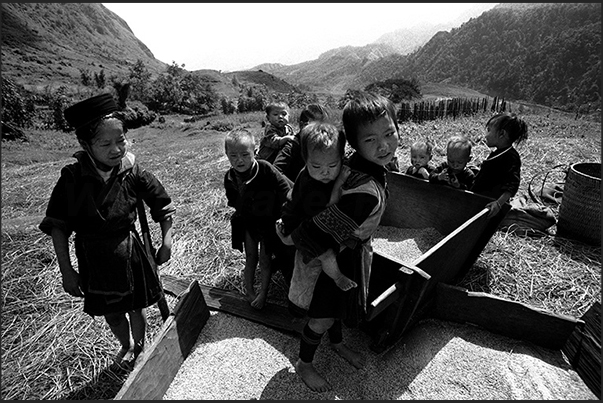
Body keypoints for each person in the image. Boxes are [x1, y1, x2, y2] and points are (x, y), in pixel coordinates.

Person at [38, 93, 176, 368]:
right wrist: (67, 271)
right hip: (94, 258)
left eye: (121, 140)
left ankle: (139, 347)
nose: (116, 150)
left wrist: (167, 240)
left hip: (130, 251)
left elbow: (162, 204)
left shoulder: (131, 171)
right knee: (112, 313)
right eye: (106, 144)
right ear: (84, 144)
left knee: (136, 306)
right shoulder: (73, 180)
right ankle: (125, 344)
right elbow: (59, 228)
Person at [289, 91, 399, 392]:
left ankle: (336, 344)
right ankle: (305, 363)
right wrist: (293, 235)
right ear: (353, 143)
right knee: (322, 316)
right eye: (370, 140)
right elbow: (318, 230)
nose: (383, 145)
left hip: (346, 251)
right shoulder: (362, 190)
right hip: (331, 254)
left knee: (337, 306)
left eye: (389, 133)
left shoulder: (363, 168)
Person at [276, 122, 355, 316]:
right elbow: (329, 207)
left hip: (299, 217)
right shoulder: (314, 186)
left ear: (341, 158)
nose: (325, 172)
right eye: (316, 166)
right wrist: (341, 181)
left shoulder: (312, 174)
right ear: (305, 159)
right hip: (300, 223)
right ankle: (337, 277)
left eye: (333, 165)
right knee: (326, 254)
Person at [223, 127, 292, 309]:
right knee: (250, 257)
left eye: (245, 155)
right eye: (233, 156)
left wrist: (285, 216)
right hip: (249, 222)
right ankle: (249, 291)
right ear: (227, 154)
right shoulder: (229, 177)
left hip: (269, 223)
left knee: (265, 259)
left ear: (254, 151)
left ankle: (263, 294)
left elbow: (286, 190)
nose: (239, 160)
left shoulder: (265, 169)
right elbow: (233, 200)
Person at [471, 112, 528, 218]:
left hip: (488, 203)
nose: (485, 135)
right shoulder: (499, 152)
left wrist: (498, 203)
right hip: (479, 197)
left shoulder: (510, 157)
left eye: (489, 130)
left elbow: (512, 184)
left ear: (502, 134)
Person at [273, 104, 329, 182]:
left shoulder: (321, 144)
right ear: (303, 125)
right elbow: (275, 171)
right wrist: (294, 190)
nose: (321, 133)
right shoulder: (293, 145)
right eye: (317, 128)